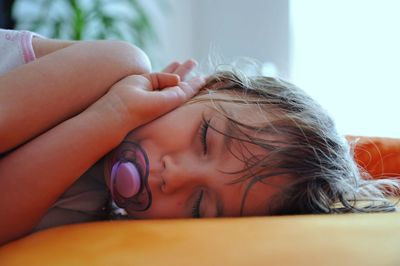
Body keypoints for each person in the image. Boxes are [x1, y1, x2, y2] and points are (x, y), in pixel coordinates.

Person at [0, 29, 398, 245]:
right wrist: (113, 115)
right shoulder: (114, 67)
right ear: (203, 88)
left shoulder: (82, 214)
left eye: (198, 206)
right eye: (204, 137)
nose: (173, 175)